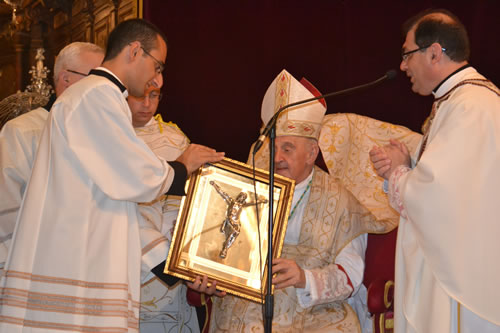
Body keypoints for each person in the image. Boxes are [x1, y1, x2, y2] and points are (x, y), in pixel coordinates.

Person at [0, 18, 224, 332]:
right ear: (135, 51)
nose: (157, 80)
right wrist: (184, 165)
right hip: (76, 261)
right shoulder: (96, 95)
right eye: (157, 66)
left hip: (88, 253)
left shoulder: (101, 96)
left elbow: (114, 183)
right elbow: (133, 174)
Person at [191, 69, 395, 332]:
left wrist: (304, 278)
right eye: (274, 148)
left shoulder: (340, 201)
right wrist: (207, 278)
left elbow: (350, 275)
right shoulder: (247, 188)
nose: (277, 158)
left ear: (312, 152)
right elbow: (217, 254)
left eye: (288, 149)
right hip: (246, 309)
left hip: (313, 310)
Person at [369, 9, 500, 333]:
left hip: (463, 279)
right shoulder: (460, 100)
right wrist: (409, 167)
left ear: (435, 52)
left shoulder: (470, 106)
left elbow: (439, 196)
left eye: (406, 54)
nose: (402, 66)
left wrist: (399, 173)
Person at [0, 42, 104, 272]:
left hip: (89, 266)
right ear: (65, 79)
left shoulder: (101, 134)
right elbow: (6, 207)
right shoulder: (22, 131)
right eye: (96, 79)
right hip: (33, 267)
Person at [128, 85, 208, 332]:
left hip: (170, 275)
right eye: (139, 96)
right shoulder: (109, 137)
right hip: (124, 266)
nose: (147, 105)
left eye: (154, 96)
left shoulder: (175, 140)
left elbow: (191, 203)